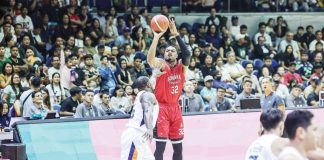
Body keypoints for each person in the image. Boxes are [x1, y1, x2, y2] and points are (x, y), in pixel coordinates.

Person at [147, 17, 191, 160]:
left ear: (177, 55)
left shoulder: (181, 67)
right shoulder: (161, 65)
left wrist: (176, 34)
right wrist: (156, 37)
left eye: (172, 51)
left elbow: (187, 54)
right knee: (160, 148)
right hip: (161, 109)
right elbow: (150, 60)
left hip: (175, 110)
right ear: (164, 55)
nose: (170, 52)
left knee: (178, 149)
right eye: (167, 51)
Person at [120, 76, 159, 160]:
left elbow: (149, 81)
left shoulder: (141, 94)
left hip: (140, 136)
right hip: (135, 135)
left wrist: (155, 73)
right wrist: (149, 129)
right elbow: (147, 111)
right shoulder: (147, 95)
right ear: (148, 84)